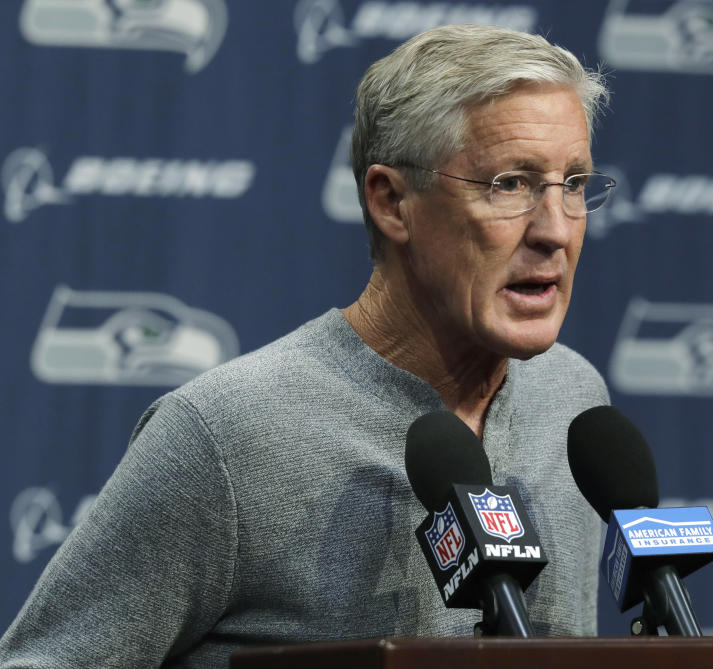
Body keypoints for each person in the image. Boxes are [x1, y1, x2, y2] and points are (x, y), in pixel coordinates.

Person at [0, 24, 615, 668]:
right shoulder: (227, 435)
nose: (555, 231)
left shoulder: (573, 402)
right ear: (391, 202)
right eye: (510, 184)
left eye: (573, 184)